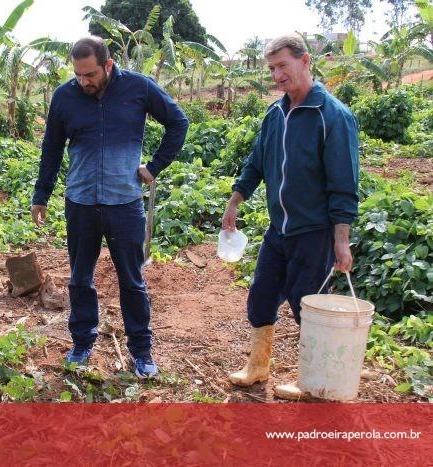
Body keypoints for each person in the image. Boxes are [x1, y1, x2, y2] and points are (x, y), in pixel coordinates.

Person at [31, 36, 189, 378]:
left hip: (125, 203)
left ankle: (142, 352)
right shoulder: (64, 97)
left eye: (90, 74)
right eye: (78, 75)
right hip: (81, 203)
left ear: (108, 65)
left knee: (132, 281)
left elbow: (179, 123)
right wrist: (41, 194)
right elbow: (52, 148)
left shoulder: (139, 88)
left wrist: (155, 166)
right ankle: (82, 343)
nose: (83, 81)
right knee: (80, 279)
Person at [222, 33, 359, 399]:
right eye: (272, 68)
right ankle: (257, 367)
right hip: (279, 229)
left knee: (306, 305)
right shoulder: (275, 114)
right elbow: (256, 163)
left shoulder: (332, 116)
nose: (277, 75)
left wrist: (341, 240)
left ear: (305, 61)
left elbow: (343, 184)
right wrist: (236, 199)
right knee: (261, 295)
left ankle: (311, 378)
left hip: (314, 232)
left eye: (283, 65)